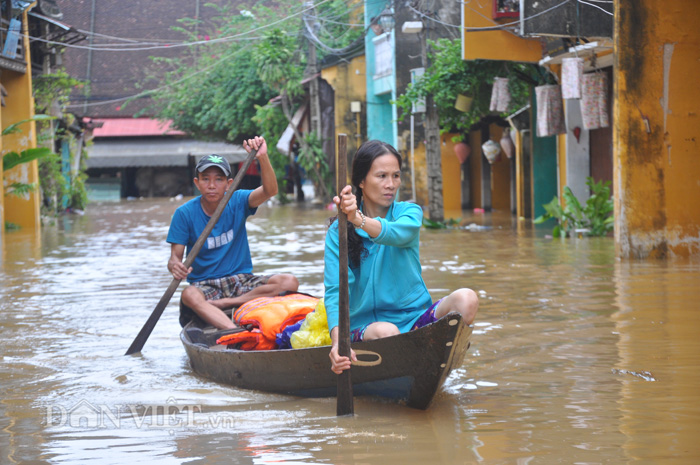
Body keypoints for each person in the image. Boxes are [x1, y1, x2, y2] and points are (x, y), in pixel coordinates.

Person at [324, 140, 479, 374]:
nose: (391, 185)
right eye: (382, 176)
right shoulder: (338, 232)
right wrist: (338, 342)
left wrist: (358, 220)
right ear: (361, 181)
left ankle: (439, 370)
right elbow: (336, 291)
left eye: (396, 176)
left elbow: (393, 233)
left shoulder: (409, 213)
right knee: (386, 331)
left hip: (415, 319)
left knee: (467, 299)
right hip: (366, 327)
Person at [167, 136, 299, 330]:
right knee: (189, 295)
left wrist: (262, 157)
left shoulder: (237, 201)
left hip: (240, 282)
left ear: (229, 183)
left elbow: (270, 191)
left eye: (218, 180)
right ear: (197, 183)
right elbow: (174, 259)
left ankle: (227, 304)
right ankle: (233, 330)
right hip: (206, 285)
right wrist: (175, 266)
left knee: (289, 281)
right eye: (206, 179)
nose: (212, 185)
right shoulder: (184, 213)